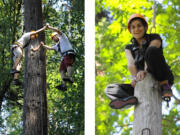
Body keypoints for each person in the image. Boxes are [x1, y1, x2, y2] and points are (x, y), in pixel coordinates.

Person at [105, 14, 174, 109]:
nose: (136, 29)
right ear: (130, 31)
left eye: (139, 26)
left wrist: (145, 70)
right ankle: (129, 99)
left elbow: (150, 53)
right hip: (140, 79)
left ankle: (164, 85)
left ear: (145, 27)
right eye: (133, 27)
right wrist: (134, 78)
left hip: (159, 73)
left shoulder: (155, 37)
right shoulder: (128, 48)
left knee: (151, 51)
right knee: (110, 89)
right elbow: (131, 63)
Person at [32, 25, 75, 91]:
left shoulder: (63, 37)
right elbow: (50, 48)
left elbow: (57, 30)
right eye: (52, 38)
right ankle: (64, 85)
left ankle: (70, 77)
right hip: (63, 57)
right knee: (61, 70)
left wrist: (49, 27)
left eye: (53, 37)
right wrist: (43, 45)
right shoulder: (56, 45)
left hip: (68, 53)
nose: (53, 39)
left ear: (57, 35)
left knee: (68, 64)